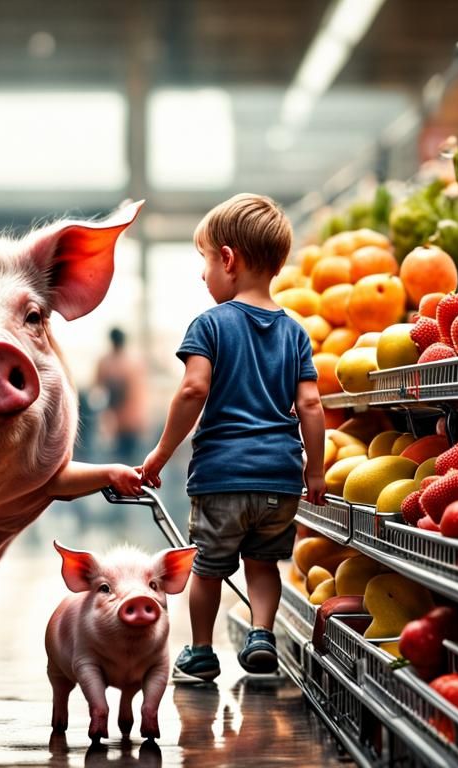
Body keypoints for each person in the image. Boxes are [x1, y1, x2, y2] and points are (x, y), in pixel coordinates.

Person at [137, 193, 325, 680]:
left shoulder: (210, 325)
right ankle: (261, 634)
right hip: (280, 479)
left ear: (228, 259)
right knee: (263, 564)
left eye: (204, 261)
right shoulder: (297, 333)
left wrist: (160, 453)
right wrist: (316, 469)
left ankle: (201, 652)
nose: (203, 275)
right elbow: (309, 404)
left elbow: (193, 389)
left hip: (222, 474)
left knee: (209, 568)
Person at [94, 327, 147, 463]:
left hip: (129, 418)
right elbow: (98, 388)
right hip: (117, 418)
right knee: (120, 459)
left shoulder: (130, 363)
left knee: (129, 458)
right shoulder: (108, 362)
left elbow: (137, 394)